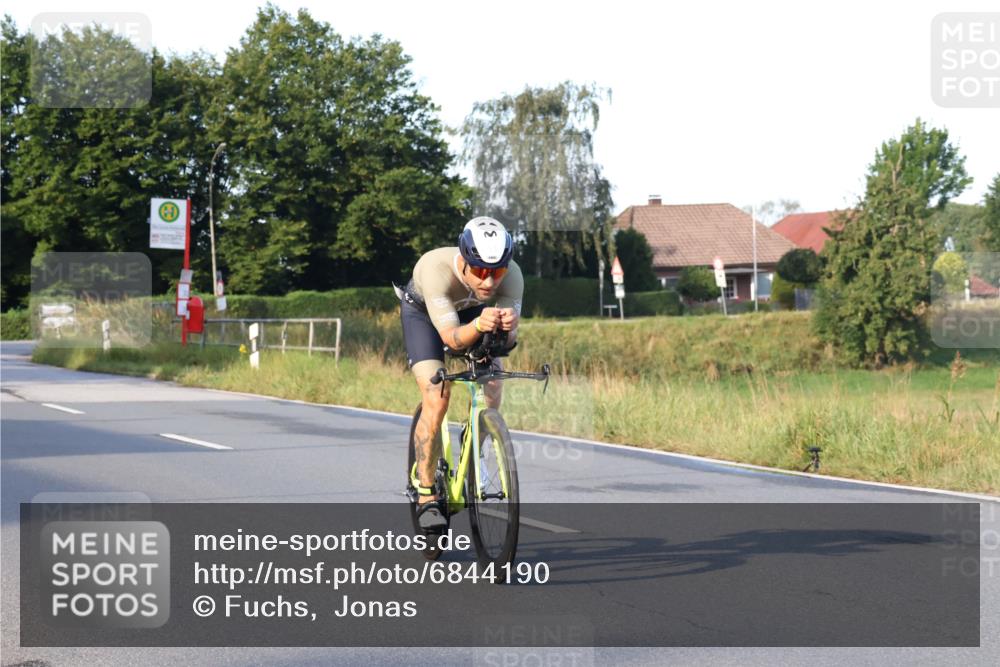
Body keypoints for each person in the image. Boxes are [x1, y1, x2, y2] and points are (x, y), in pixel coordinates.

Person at [397, 217, 523, 529]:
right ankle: (426, 495)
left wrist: (509, 328)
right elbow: (452, 339)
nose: (489, 282)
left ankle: (475, 436)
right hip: (426, 316)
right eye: (480, 271)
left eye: (497, 272)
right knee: (437, 394)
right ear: (464, 259)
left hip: (474, 316)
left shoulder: (514, 275)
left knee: (493, 384)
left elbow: (507, 343)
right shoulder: (435, 268)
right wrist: (480, 325)